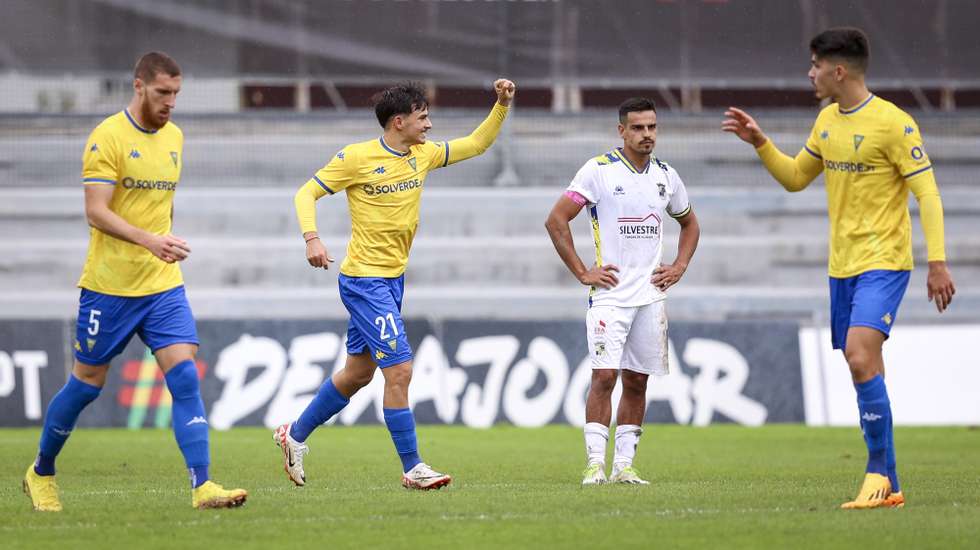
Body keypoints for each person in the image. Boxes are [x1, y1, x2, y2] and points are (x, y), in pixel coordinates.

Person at [722, 27, 955, 509]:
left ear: (838, 70)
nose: (810, 74)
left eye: (815, 65)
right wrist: (761, 142)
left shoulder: (894, 123)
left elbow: (927, 193)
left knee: (858, 356)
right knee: (865, 368)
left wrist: (937, 262)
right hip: (842, 267)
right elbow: (794, 178)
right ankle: (891, 483)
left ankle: (874, 473)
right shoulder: (827, 120)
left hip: (884, 263)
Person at [22, 52, 247, 512]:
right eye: (163, 92)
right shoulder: (108, 137)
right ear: (139, 86)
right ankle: (41, 471)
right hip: (110, 287)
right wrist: (149, 241)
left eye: (176, 94)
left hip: (162, 284)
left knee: (185, 376)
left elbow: (160, 209)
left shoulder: (175, 138)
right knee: (86, 384)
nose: (171, 103)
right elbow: (96, 210)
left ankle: (203, 486)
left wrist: (162, 247)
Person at [274, 79, 516, 490]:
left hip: (391, 280)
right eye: (423, 117)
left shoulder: (422, 154)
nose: (429, 124)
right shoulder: (356, 157)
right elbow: (305, 194)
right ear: (399, 121)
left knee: (357, 374)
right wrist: (311, 238)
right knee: (399, 370)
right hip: (364, 280)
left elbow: (476, 144)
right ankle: (413, 467)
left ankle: (294, 434)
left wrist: (502, 104)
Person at [545, 97, 700, 485]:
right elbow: (556, 220)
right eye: (638, 128)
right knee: (604, 377)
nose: (647, 135)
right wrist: (583, 271)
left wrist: (679, 266)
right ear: (621, 131)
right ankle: (595, 464)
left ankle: (624, 466)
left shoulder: (667, 176)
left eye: (652, 127)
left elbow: (690, 224)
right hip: (610, 296)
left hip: (650, 296)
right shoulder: (598, 171)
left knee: (637, 381)